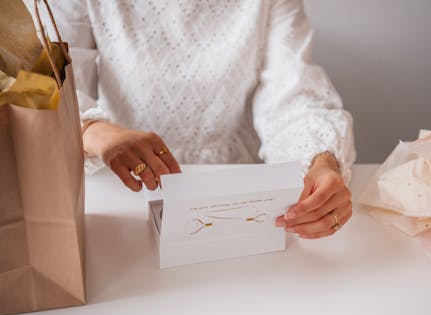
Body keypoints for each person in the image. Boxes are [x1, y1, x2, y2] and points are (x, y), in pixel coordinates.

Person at [46, 0, 356, 239]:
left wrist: (320, 161)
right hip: (120, 188)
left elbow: (291, 91)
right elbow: (50, 81)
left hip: (237, 188)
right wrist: (93, 130)